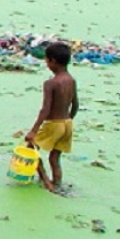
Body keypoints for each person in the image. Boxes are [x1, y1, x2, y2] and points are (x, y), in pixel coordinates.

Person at [25, 42, 79, 193]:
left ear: (53, 61)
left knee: (31, 148)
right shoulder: (71, 80)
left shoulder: (51, 83)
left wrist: (33, 131)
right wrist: (69, 120)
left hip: (54, 123)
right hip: (67, 123)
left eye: (47, 60)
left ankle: (47, 183)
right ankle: (57, 182)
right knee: (54, 158)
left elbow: (45, 110)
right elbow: (75, 104)